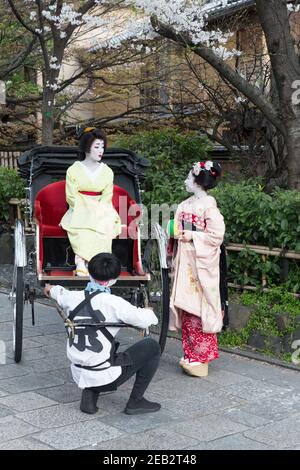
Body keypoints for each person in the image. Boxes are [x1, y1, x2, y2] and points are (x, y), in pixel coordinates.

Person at [44, 252, 161, 415]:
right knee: (152, 346)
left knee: (103, 348)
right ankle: (136, 401)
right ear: (114, 279)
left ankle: (90, 395)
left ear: (89, 273)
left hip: (78, 374)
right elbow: (148, 320)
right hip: (105, 376)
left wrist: (49, 288)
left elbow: (55, 291)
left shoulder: (71, 297)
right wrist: (148, 311)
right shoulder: (115, 304)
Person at [169, 160, 225, 377]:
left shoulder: (210, 207)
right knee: (186, 306)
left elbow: (216, 236)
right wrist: (175, 235)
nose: (185, 181)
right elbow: (176, 228)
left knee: (198, 309)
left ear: (197, 182)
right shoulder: (185, 205)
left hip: (201, 261)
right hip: (185, 258)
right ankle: (189, 353)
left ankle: (200, 358)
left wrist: (191, 235)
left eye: (188, 178)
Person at [60, 127, 121, 276]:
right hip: (79, 208)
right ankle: (80, 261)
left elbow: (107, 195)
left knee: (103, 228)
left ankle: (98, 264)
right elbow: (71, 196)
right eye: (96, 147)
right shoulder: (73, 170)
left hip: (102, 208)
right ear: (87, 147)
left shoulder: (107, 171)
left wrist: (98, 209)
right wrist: (86, 209)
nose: (101, 150)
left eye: (102, 147)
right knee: (82, 227)